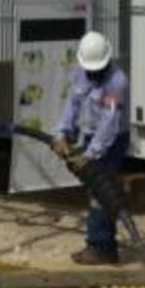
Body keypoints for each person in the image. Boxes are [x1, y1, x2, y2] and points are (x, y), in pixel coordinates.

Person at [51, 31, 130, 265]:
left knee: (100, 191)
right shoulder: (80, 72)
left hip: (111, 141)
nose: (92, 72)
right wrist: (62, 132)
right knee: (94, 192)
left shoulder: (117, 81)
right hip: (88, 135)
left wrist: (89, 155)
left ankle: (102, 247)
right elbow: (73, 103)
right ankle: (99, 243)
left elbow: (110, 122)